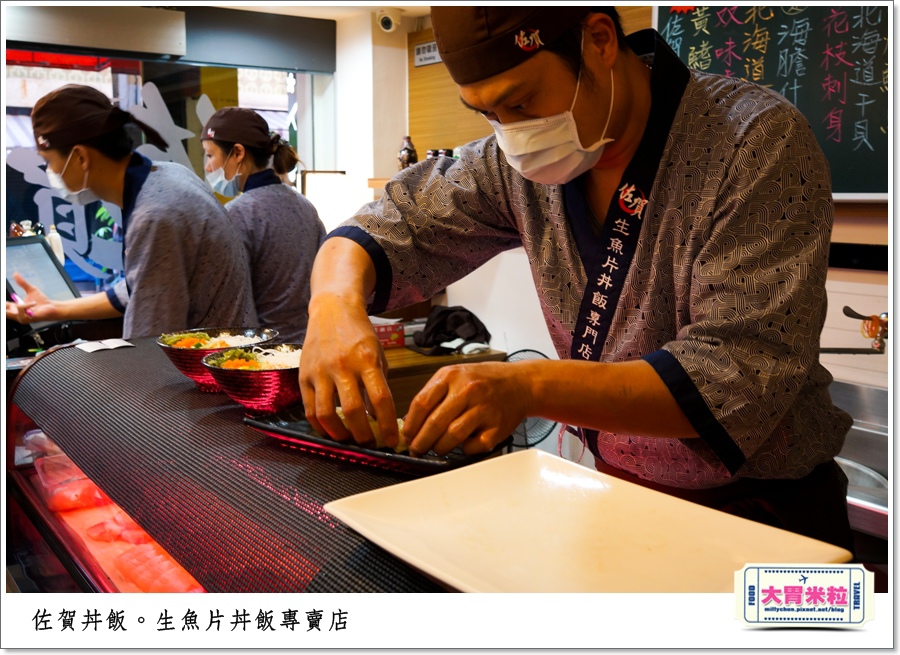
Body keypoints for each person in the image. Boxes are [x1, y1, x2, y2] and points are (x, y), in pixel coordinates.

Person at [297, 7, 854, 551]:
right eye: (487, 115)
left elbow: (737, 373)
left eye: (520, 102)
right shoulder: (509, 165)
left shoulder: (751, 140)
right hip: (619, 504)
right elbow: (392, 223)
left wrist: (530, 387)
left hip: (768, 519)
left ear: (599, 40)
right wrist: (332, 305)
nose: (511, 134)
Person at [5, 84, 258, 339]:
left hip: (216, 369)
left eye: (49, 162)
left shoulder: (155, 215)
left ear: (80, 157)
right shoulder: (167, 175)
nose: (51, 172)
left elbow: (149, 344)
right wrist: (55, 309)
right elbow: (140, 288)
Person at [200, 107, 326, 343]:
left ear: (238, 152)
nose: (208, 167)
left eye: (210, 155)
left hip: (266, 359)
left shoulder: (237, 214)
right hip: (311, 349)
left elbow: (234, 307)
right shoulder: (305, 207)